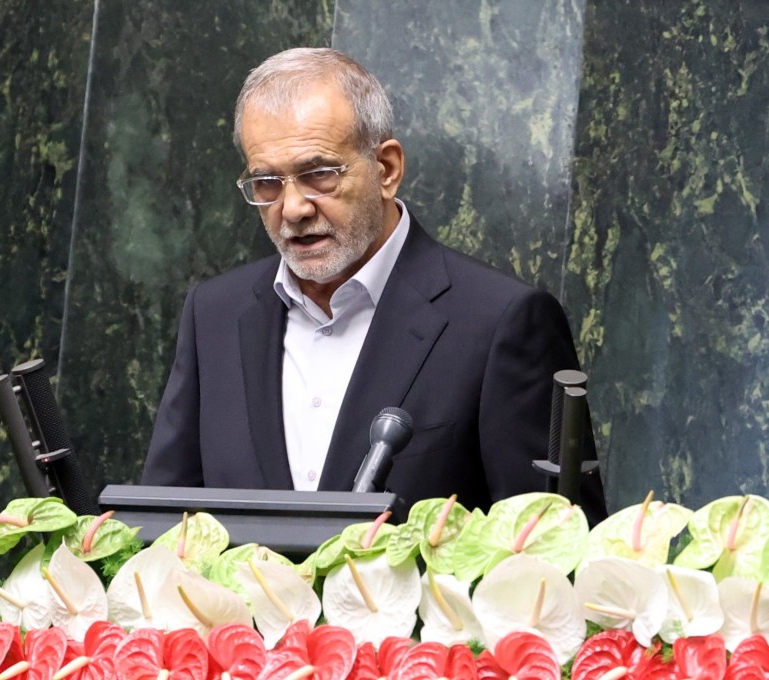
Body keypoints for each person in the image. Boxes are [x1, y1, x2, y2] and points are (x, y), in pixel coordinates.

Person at [140, 47, 607, 524]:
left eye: (318, 175)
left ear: (386, 169)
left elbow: (552, 544)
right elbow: (159, 524)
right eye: (267, 182)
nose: (293, 208)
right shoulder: (214, 314)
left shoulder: (500, 322)